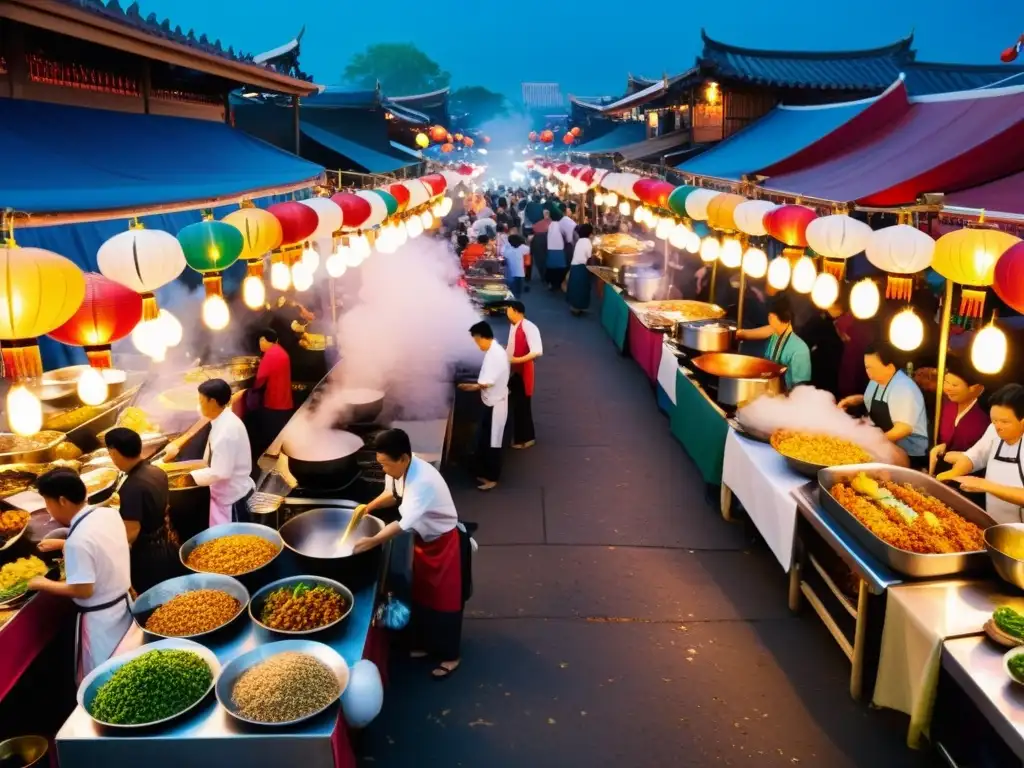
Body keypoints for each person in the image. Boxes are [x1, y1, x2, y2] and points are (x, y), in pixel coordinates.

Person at [352, 429, 471, 679]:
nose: (383, 469)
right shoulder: (399, 471)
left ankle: (451, 656)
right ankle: (428, 645)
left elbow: (403, 524)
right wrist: (366, 508)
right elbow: (391, 495)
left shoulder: (422, 481)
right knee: (423, 594)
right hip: (424, 541)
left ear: (404, 458)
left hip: (444, 545)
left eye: (385, 464)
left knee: (445, 602)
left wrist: (371, 541)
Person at [29, 469, 132, 683]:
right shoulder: (108, 514)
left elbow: (82, 590)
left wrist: (42, 583)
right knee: (129, 664)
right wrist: (63, 543)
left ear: (63, 501)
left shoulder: (79, 541)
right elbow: (101, 547)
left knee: (108, 680)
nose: (49, 511)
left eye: (48, 504)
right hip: (124, 608)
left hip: (101, 623)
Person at [163, 379, 254, 527]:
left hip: (231, 498)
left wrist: (190, 477)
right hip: (226, 492)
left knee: (231, 540)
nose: (198, 405)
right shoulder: (222, 419)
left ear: (212, 401)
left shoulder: (226, 432)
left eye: (200, 400)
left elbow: (221, 472)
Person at [104, 427, 178, 595]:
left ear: (114, 453)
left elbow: (131, 533)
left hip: (149, 559)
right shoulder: (157, 472)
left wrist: (106, 547)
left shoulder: (132, 488)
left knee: (158, 603)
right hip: (167, 546)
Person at [939, 384, 1024, 523]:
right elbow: (976, 456)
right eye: (994, 420)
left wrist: (985, 485)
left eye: (1005, 422)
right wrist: (953, 474)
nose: (998, 427)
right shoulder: (993, 430)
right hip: (995, 521)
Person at [839, 343, 929, 468]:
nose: (868, 372)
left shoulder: (904, 388)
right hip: (886, 444)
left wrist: (872, 441)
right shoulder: (876, 380)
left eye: (871, 368)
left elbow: (903, 429)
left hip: (910, 454)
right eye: (866, 367)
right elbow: (879, 399)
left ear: (890, 368)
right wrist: (854, 400)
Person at [459, 321, 510, 491]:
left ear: (482, 338)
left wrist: (471, 386)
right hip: (491, 401)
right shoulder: (493, 350)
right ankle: (483, 471)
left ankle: (492, 478)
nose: (476, 344)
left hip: (496, 404)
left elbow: (488, 382)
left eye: (476, 341)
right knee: (485, 440)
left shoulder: (495, 354)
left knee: (493, 443)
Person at [735, 295, 812, 389]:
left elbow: (800, 387)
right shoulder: (774, 334)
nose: (769, 319)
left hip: (787, 398)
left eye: (770, 316)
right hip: (768, 391)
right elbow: (746, 334)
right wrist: (736, 333)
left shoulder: (800, 349)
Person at [930, 357, 989, 478]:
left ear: (975, 388)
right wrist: (941, 447)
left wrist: (963, 456)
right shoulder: (946, 405)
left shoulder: (985, 416)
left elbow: (984, 455)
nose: (947, 388)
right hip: (941, 472)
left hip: (969, 478)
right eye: (946, 382)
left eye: (954, 385)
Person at [247, 328, 294, 472]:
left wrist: (253, 389)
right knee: (281, 432)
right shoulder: (280, 350)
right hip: (285, 399)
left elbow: (260, 378)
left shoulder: (270, 355)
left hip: (274, 402)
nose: (260, 344)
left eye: (261, 340)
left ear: (265, 340)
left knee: (271, 433)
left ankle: (273, 465)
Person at [505, 301, 543, 448]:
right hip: (514, 370)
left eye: (508, 310)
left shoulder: (529, 327)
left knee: (522, 404)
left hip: (523, 371)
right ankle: (519, 436)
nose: (506, 313)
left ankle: (526, 439)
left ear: (515, 311)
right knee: (516, 403)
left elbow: (537, 351)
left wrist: (516, 359)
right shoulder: (514, 326)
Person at [566, 223, 594, 314]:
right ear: (589, 233)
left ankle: (574, 307)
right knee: (581, 288)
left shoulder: (580, 240)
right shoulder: (587, 242)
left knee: (575, 287)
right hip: (581, 267)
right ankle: (578, 308)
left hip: (574, 266)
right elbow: (589, 257)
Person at [545, 209, 568, 291]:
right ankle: (560, 283)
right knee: (560, 268)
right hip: (559, 249)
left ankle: (551, 283)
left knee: (551, 268)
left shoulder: (550, 225)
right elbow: (565, 236)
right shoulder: (560, 225)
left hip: (551, 249)